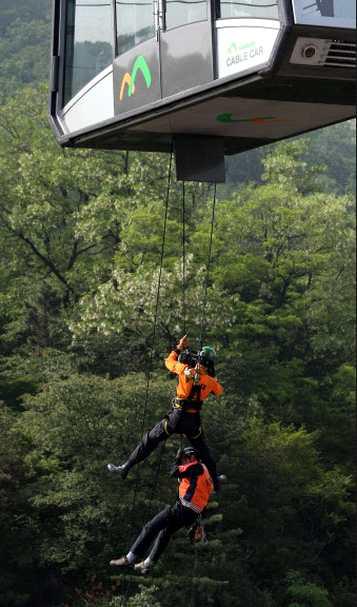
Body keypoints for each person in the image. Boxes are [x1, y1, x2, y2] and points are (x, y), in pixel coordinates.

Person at [107, 335, 224, 490]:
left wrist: (179, 348)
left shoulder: (184, 370)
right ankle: (215, 482)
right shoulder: (211, 382)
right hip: (193, 422)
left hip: (177, 417)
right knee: (204, 451)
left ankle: (126, 466)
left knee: (149, 440)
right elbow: (219, 391)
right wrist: (209, 374)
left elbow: (168, 362)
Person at [109, 447, 213, 574]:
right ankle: (148, 563)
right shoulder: (206, 473)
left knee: (150, 527)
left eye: (184, 459)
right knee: (165, 533)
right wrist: (198, 521)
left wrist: (176, 460)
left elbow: (173, 472)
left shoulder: (195, 467)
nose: (183, 462)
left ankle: (129, 558)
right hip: (192, 514)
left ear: (192, 457)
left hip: (182, 509)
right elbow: (204, 498)